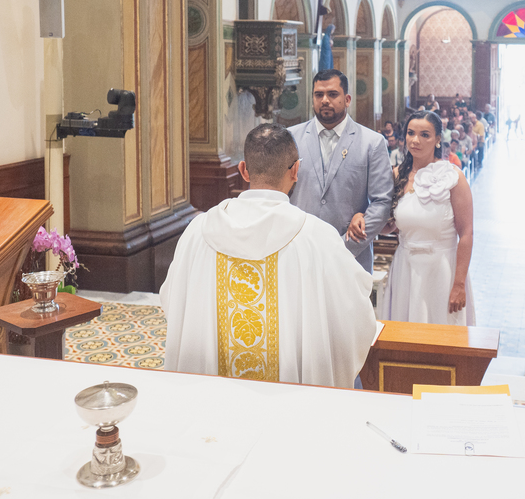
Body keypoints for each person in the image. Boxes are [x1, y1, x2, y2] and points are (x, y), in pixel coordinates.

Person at [159, 124, 377, 389]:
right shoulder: (318, 237)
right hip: (289, 400)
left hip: (212, 397)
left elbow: (173, 301)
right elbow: (353, 313)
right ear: (296, 170)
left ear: (243, 170)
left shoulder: (198, 230)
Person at [288, 69, 393, 272]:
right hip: (300, 254)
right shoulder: (291, 138)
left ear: (347, 99)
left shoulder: (372, 142)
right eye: (319, 95)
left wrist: (344, 248)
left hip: (350, 257)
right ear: (312, 99)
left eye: (332, 94)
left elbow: (382, 202)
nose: (325, 100)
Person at [378, 111, 475, 325]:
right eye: (411, 133)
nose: (415, 140)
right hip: (406, 268)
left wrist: (459, 283)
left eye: (425, 135)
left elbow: (466, 233)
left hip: (441, 270)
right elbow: (391, 225)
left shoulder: (454, 178)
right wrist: (364, 220)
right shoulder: (396, 176)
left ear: (438, 139)